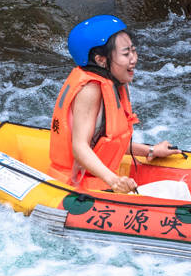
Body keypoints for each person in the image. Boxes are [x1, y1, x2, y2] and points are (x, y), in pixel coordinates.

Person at [48, 15, 179, 193]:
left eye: (133, 50)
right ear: (101, 60)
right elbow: (79, 147)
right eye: (126, 54)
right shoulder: (90, 90)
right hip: (78, 188)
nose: (134, 59)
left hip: (97, 182)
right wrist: (114, 180)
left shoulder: (110, 83)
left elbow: (106, 143)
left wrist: (151, 151)